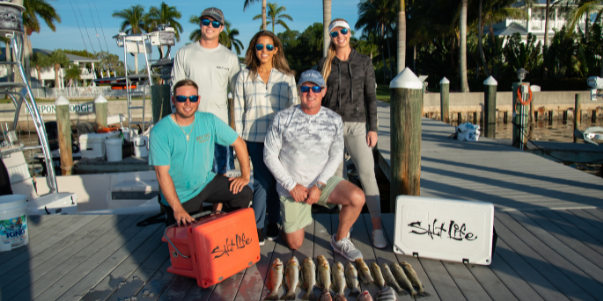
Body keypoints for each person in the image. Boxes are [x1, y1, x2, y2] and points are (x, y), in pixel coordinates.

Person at [264, 70, 365, 260]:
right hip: (292, 188)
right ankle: (293, 216)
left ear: (324, 91)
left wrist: (319, 185)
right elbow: (269, 155)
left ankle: (340, 239)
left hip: (321, 184)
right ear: (299, 90)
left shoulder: (334, 119)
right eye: (305, 88)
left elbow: (336, 156)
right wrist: (291, 186)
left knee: (357, 197)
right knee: (295, 244)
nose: (311, 93)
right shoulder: (282, 118)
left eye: (316, 88)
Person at [317, 18, 387, 249]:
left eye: (343, 31)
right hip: (331, 128)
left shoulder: (364, 62)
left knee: (368, 176)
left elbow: (371, 98)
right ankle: (344, 229)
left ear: (349, 33)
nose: (340, 36)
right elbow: (318, 99)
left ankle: (377, 228)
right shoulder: (325, 64)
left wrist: (373, 128)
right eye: (335, 32)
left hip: (358, 127)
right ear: (331, 36)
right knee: (340, 180)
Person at [149, 79, 252, 227]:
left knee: (244, 193)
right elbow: (161, 174)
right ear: (173, 100)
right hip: (181, 195)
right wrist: (177, 209)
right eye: (181, 98)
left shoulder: (209, 120)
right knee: (187, 245)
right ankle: (175, 216)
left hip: (206, 183)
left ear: (198, 100)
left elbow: (239, 143)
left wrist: (245, 176)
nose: (188, 103)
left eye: (192, 98)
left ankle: (225, 230)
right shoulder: (160, 131)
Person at [233, 31, 298, 245]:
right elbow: (238, 109)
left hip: (279, 140)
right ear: (254, 49)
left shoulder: (287, 77)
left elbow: (294, 109)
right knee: (261, 181)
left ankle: (272, 221)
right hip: (252, 138)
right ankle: (259, 226)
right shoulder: (243, 76)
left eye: (269, 47)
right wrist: (239, 141)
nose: (264, 51)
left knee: (273, 182)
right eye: (260, 47)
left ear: (275, 49)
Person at [171, 7, 241, 176]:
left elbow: (238, 95)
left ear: (221, 27)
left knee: (223, 179)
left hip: (220, 130)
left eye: (215, 23)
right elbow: (175, 93)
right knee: (191, 178)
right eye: (206, 21)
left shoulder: (230, 57)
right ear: (200, 24)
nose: (210, 26)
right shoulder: (183, 53)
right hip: (190, 129)